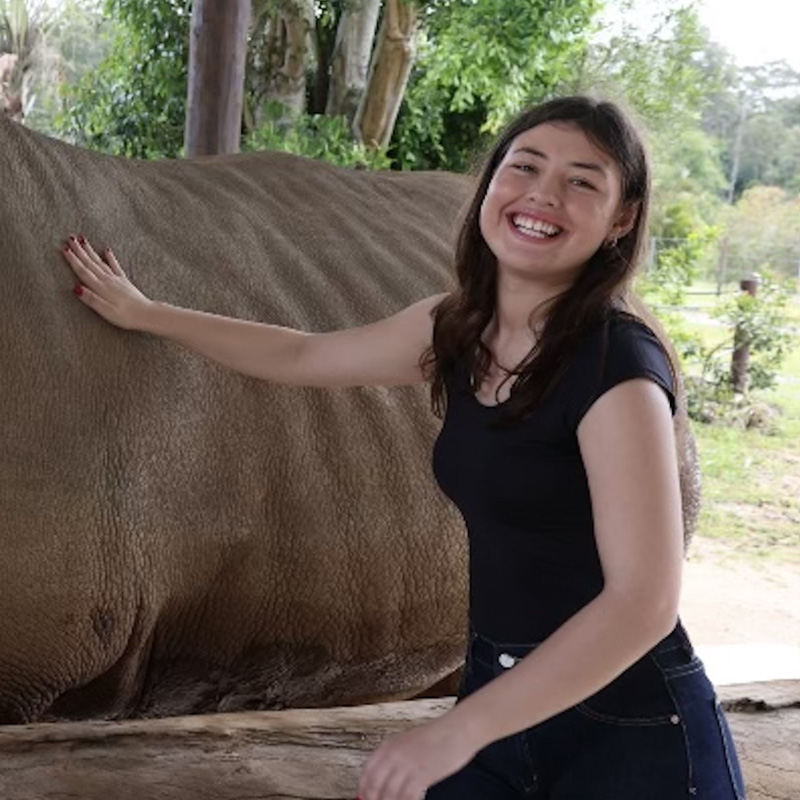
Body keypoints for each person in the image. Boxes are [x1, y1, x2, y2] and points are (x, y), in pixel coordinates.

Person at [61, 95, 746, 800]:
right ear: (491, 183)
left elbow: (643, 602)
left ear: (622, 218)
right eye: (525, 166)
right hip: (503, 694)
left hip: (630, 724)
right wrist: (148, 313)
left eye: (581, 181)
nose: (543, 194)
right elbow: (302, 355)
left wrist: (457, 731)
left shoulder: (615, 366)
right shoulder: (459, 328)